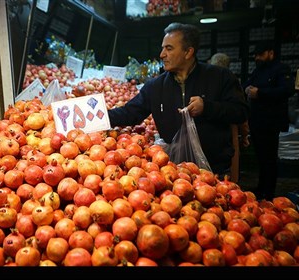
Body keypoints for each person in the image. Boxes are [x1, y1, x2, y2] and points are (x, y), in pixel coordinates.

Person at [108, 22, 249, 178]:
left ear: (188, 52)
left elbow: (240, 112)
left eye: (169, 49)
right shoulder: (155, 86)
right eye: (163, 48)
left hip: (215, 172)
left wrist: (207, 107)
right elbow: (130, 113)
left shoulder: (220, 77)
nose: (162, 54)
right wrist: (96, 117)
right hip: (174, 173)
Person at [242, 40, 295, 200]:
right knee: (260, 157)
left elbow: (287, 90)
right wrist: (246, 89)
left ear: (270, 53)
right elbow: (248, 83)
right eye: (256, 55)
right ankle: (261, 188)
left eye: (261, 54)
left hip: (271, 121)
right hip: (257, 120)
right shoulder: (258, 70)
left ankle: (269, 192)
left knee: (269, 158)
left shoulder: (281, 69)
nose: (257, 58)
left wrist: (261, 93)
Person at [209, 52, 250, 182]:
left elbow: (240, 111)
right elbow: (242, 115)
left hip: (220, 131)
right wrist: (244, 135)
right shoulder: (230, 80)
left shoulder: (212, 81)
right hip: (229, 130)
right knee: (231, 165)